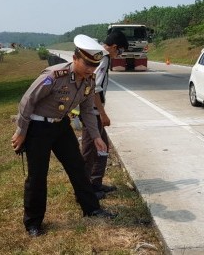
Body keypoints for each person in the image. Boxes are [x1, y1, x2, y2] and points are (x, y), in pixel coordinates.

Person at [11, 34, 116, 237]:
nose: (90, 69)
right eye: (87, 64)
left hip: (61, 126)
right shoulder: (54, 76)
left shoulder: (89, 79)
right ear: (76, 58)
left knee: (77, 166)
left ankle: (92, 209)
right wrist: (21, 132)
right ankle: (33, 223)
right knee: (38, 176)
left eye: (94, 65)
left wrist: (95, 136)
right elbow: (27, 101)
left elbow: (87, 109)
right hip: (37, 127)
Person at [81, 30, 128, 198]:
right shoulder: (103, 58)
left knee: (102, 148)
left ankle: (95, 183)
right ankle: (83, 191)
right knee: (89, 151)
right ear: (114, 47)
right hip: (91, 112)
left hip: (93, 111)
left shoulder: (99, 55)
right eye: (120, 51)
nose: (120, 55)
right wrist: (102, 114)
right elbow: (93, 88)